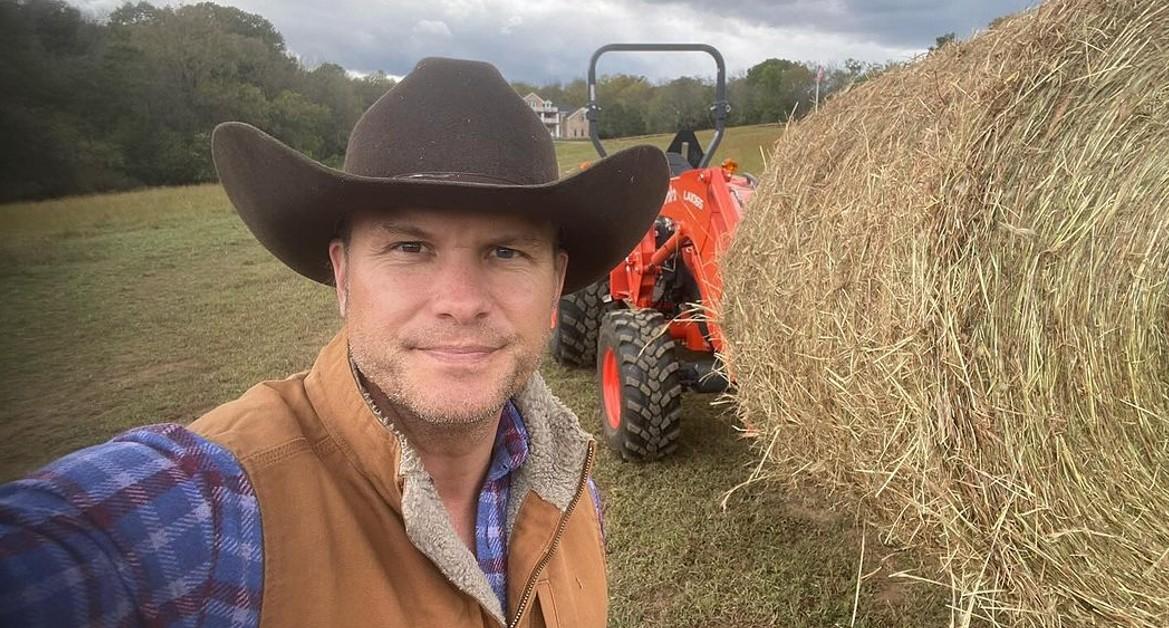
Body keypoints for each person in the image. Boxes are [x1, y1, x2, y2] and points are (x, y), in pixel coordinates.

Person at [0, 57, 668, 627]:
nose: (461, 301)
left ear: (555, 286)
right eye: (410, 247)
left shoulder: (572, 498)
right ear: (343, 275)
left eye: (504, 252)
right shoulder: (213, 511)